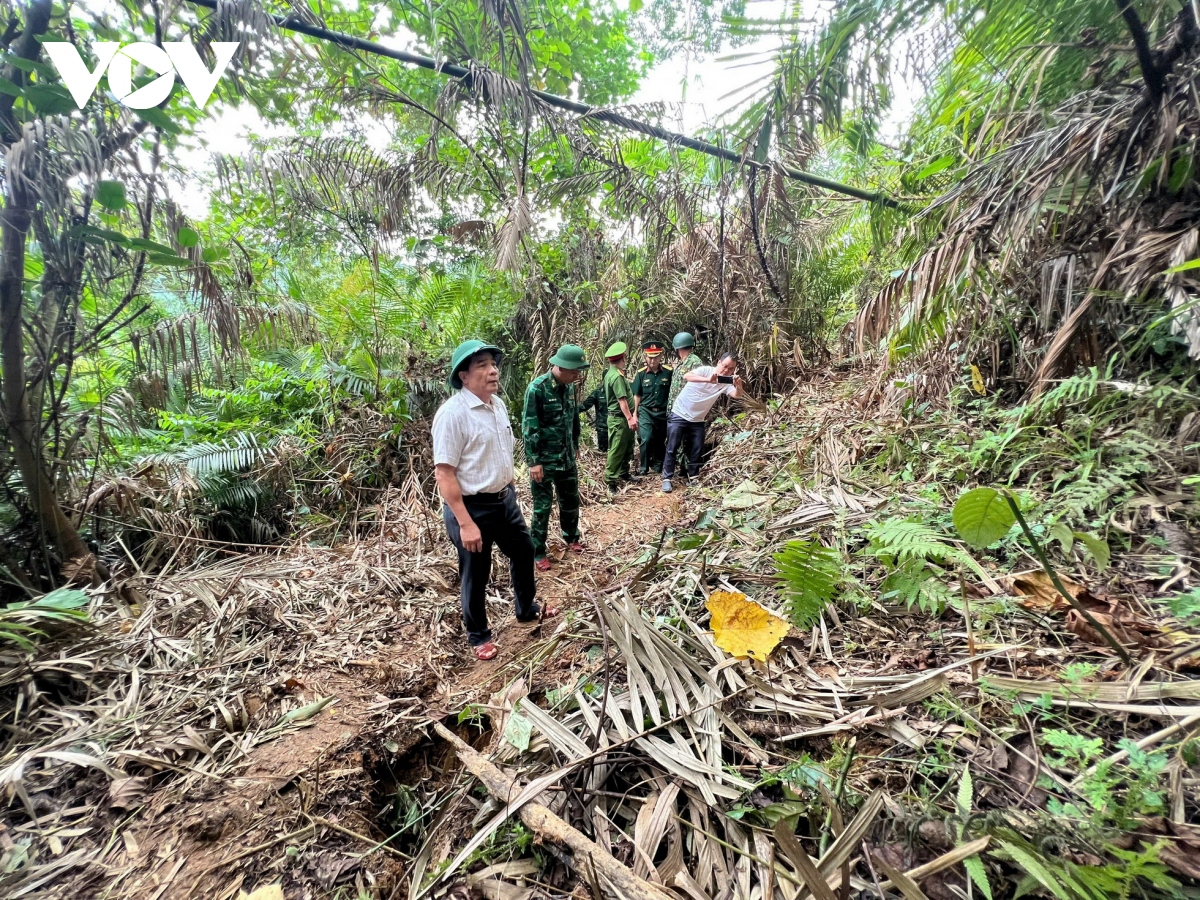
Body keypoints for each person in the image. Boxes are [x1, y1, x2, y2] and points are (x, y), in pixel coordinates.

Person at [432, 340, 559, 661]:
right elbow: (444, 474)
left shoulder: (497, 404)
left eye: (493, 364)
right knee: (476, 569)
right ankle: (478, 636)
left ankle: (526, 608)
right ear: (463, 376)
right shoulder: (452, 415)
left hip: (504, 499)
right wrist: (464, 523)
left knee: (524, 549)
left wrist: (510, 486)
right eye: (483, 366)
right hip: (471, 507)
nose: (493, 371)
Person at [523, 344, 589, 571]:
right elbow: (530, 427)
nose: (577, 375)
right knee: (542, 507)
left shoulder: (569, 388)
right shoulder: (537, 389)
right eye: (574, 371)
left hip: (567, 458)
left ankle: (571, 537)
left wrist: (575, 444)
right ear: (560, 367)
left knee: (570, 501)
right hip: (544, 461)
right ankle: (538, 550)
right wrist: (534, 461)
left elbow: (573, 419)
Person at [661, 352, 745, 493]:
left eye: (731, 369)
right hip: (680, 413)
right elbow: (687, 376)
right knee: (672, 446)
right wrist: (708, 380)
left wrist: (739, 386)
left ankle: (692, 477)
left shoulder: (725, 381)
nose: (727, 370)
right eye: (725, 366)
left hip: (697, 420)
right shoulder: (706, 370)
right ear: (719, 362)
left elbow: (736, 395)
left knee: (697, 448)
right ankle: (667, 479)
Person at [631, 340, 673, 475]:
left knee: (661, 439)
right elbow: (637, 395)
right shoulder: (641, 374)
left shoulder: (669, 372)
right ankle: (644, 467)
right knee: (646, 438)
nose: (652, 360)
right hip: (646, 411)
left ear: (661, 357)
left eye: (656, 357)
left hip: (662, 412)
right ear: (645, 357)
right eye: (650, 357)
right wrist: (634, 414)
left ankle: (658, 465)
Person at [602, 342, 639, 493]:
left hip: (623, 419)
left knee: (627, 447)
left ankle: (624, 472)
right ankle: (610, 480)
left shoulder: (616, 373)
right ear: (622, 358)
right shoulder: (616, 376)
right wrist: (630, 418)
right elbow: (622, 401)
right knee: (617, 449)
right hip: (619, 419)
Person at [577, 380, 608, 453]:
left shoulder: (619, 391)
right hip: (603, 428)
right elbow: (585, 405)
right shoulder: (598, 392)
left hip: (618, 427)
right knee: (603, 453)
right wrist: (572, 410)